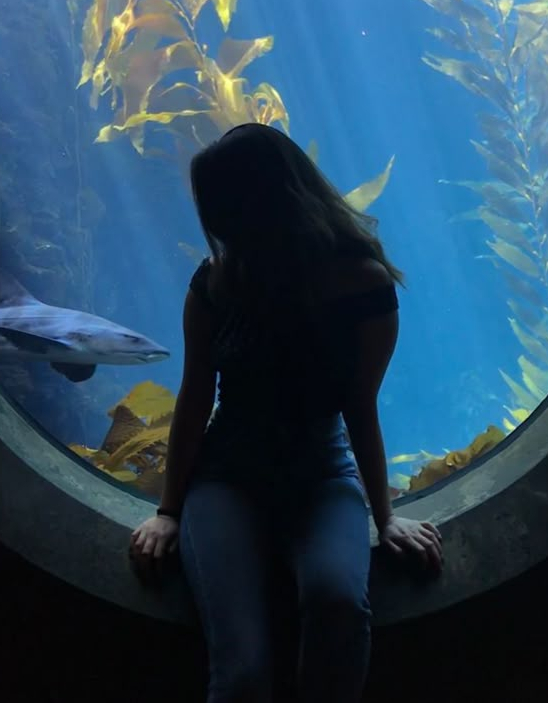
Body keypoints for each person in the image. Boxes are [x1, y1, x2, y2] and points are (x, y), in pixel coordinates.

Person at [130, 122, 443, 703]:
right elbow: (195, 397)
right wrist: (169, 511)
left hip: (323, 476)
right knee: (242, 667)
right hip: (226, 479)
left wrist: (386, 516)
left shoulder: (365, 286)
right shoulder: (216, 284)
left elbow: (359, 406)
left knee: (339, 602)